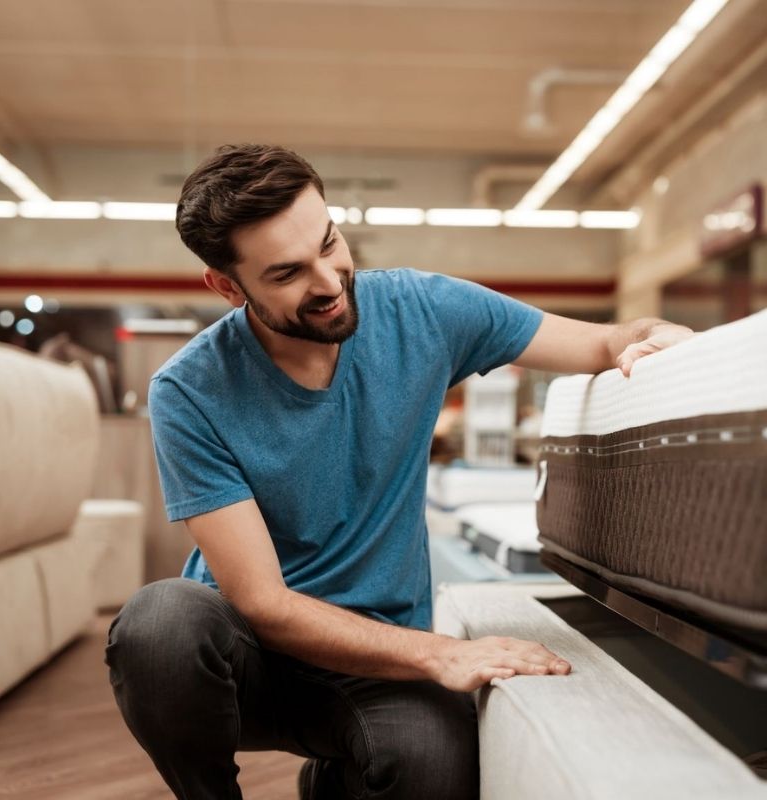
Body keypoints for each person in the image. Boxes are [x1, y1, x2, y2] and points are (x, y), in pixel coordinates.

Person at [105, 144, 693, 800]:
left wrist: (665, 340)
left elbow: (605, 341)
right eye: (288, 273)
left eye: (330, 244)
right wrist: (444, 654)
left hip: (375, 665)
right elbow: (263, 604)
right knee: (158, 624)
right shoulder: (189, 390)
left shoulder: (422, 311)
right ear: (227, 286)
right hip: (249, 666)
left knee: (433, 767)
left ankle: (334, 778)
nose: (328, 281)